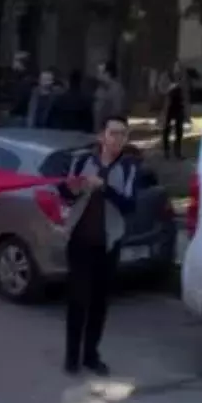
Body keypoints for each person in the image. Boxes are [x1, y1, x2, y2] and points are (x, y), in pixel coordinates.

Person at [56, 115, 140, 376]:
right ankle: (72, 357)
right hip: (80, 241)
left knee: (99, 303)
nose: (118, 139)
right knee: (77, 300)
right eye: (113, 133)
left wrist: (104, 188)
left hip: (108, 244)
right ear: (102, 136)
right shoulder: (83, 161)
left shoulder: (129, 167)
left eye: (123, 134)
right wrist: (72, 187)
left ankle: (91, 355)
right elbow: (66, 195)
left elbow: (129, 206)